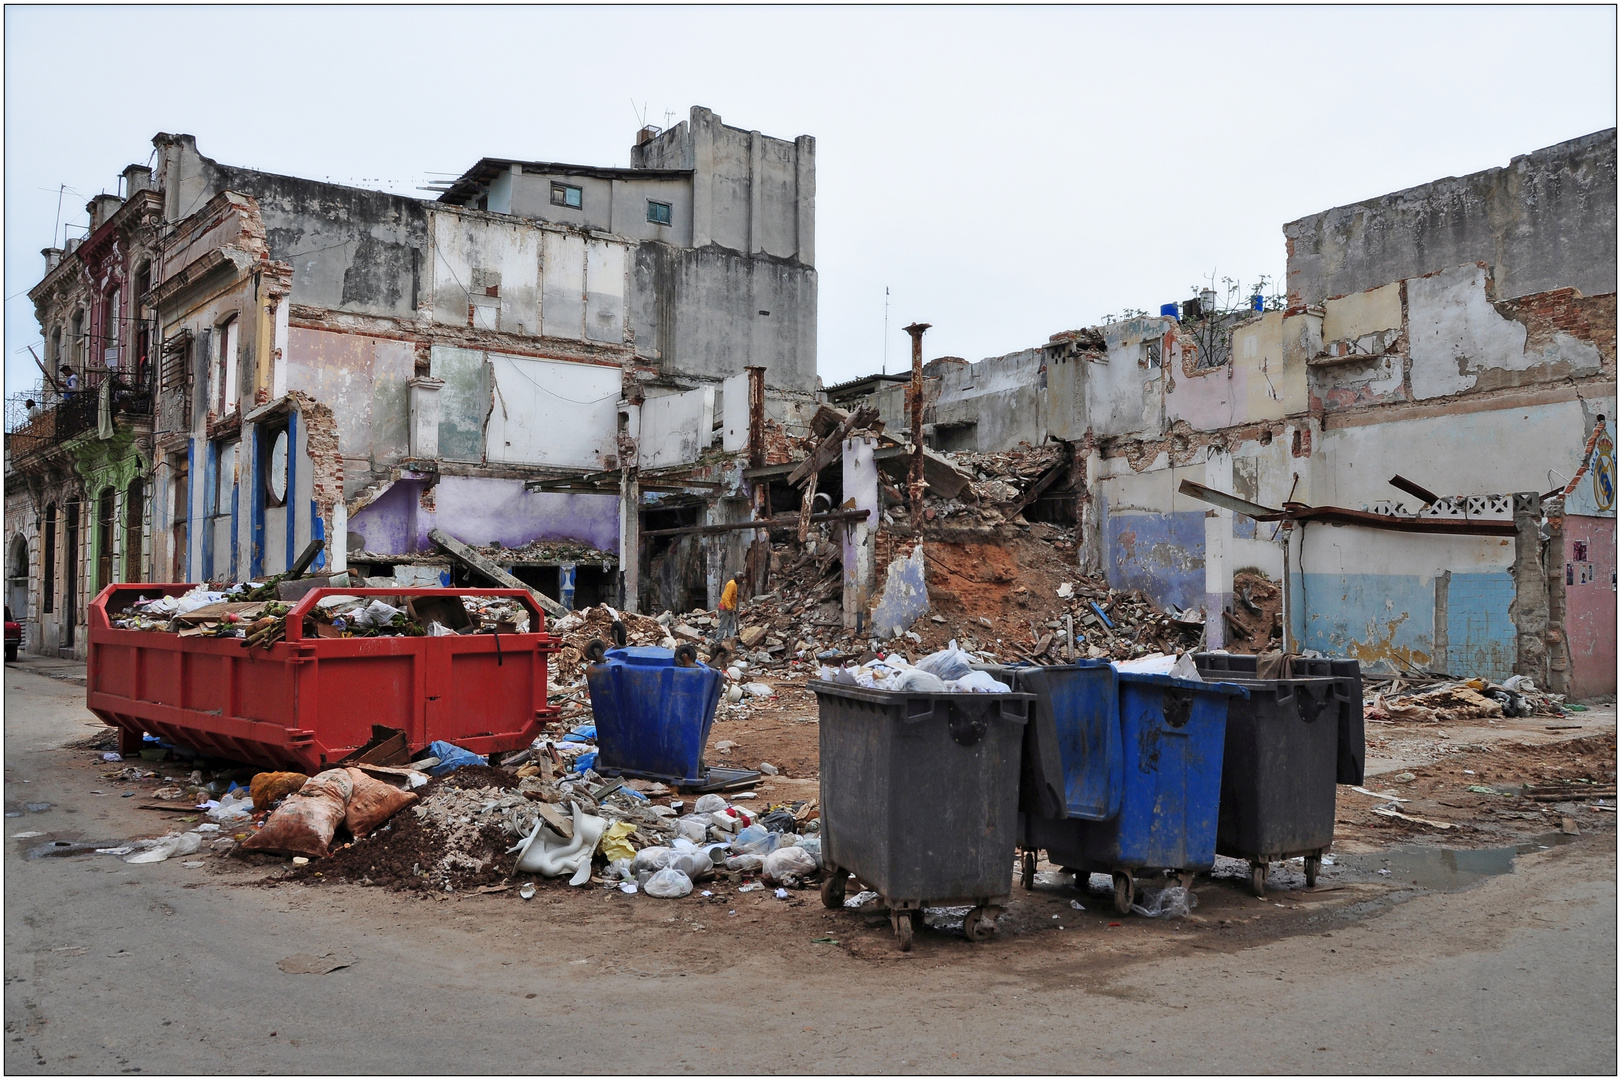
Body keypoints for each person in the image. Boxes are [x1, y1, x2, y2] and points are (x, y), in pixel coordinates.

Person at [716, 573, 741, 643]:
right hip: (725, 608)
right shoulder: (732, 584)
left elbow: (730, 594)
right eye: (740, 578)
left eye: (742, 578)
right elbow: (725, 597)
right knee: (723, 625)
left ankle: (731, 640)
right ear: (736, 577)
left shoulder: (735, 585)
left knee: (731, 624)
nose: (741, 580)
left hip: (729, 608)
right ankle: (718, 641)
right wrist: (729, 608)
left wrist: (736, 594)